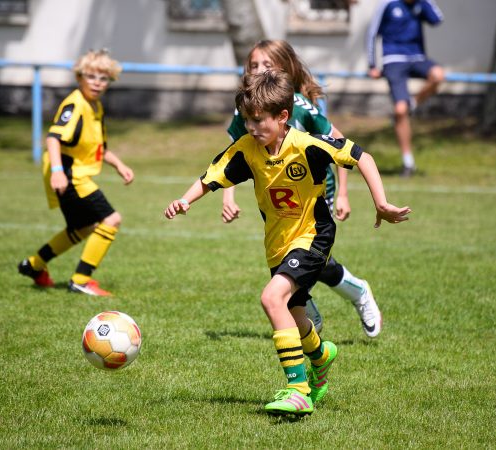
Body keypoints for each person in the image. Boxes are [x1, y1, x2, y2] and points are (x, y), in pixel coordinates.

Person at [164, 70, 411, 416]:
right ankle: (321, 356)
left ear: (282, 117)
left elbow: (361, 156)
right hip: (277, 244)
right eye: (247, 120)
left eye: (258, 121)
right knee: (295, 316)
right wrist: (185, 200)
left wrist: (381, 203)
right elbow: (212, 175)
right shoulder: (248, 149)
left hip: (313, 235)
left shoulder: (306, 145)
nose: (251, 128)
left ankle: (298, 388)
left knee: (271, 298)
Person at [223, 40, 383, 338]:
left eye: (267, 65)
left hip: (315, 191)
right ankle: (320, 303)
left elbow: (340, 145)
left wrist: (344, 193)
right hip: (276, 196)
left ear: (284, 69)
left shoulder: (299, 105)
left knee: (306, 255)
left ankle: (330, 302)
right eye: (254, 65)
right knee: (297, 256)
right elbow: (234, 154)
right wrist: (228, 195)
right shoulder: (245, 107)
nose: (259, 70)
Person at [18, 49, 134, 296]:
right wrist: (58, 172)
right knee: (111, 219)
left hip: (75, 173)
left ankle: (34, 265)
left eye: (103, 78)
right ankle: (81, 280)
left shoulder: (95, 107)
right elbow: (53, 138)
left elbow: (100, 147)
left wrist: (119, 165)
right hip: (69, 174)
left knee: (81, 228)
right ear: (79, 77)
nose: (97, 83)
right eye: (91, 76)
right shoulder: (75, 104)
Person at [366, 0, 444, 177]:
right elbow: (371, 33)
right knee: (400, 111)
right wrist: (372, 64)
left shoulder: (421, 4)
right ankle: (408, 163)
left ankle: (413, 103)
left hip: (417, 57)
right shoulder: (387, 4)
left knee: (438, 75)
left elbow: (438, 19)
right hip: (393, 59)